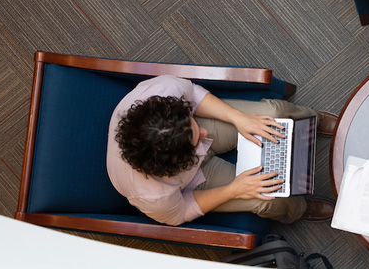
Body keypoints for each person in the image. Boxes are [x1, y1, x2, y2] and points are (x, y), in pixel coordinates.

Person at [106, 75, 336, 226]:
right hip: (190, 179)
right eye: (198, 142)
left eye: (193, 125)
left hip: (180, 143)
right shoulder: (152, 195)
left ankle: (311, 120)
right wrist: (233, 190)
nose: (205, 136)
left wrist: (239, 119)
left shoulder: (161, 93)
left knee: (273, 114)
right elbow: (179, 213)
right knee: (271, 198)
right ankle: (298, 208)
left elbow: (192, 93)